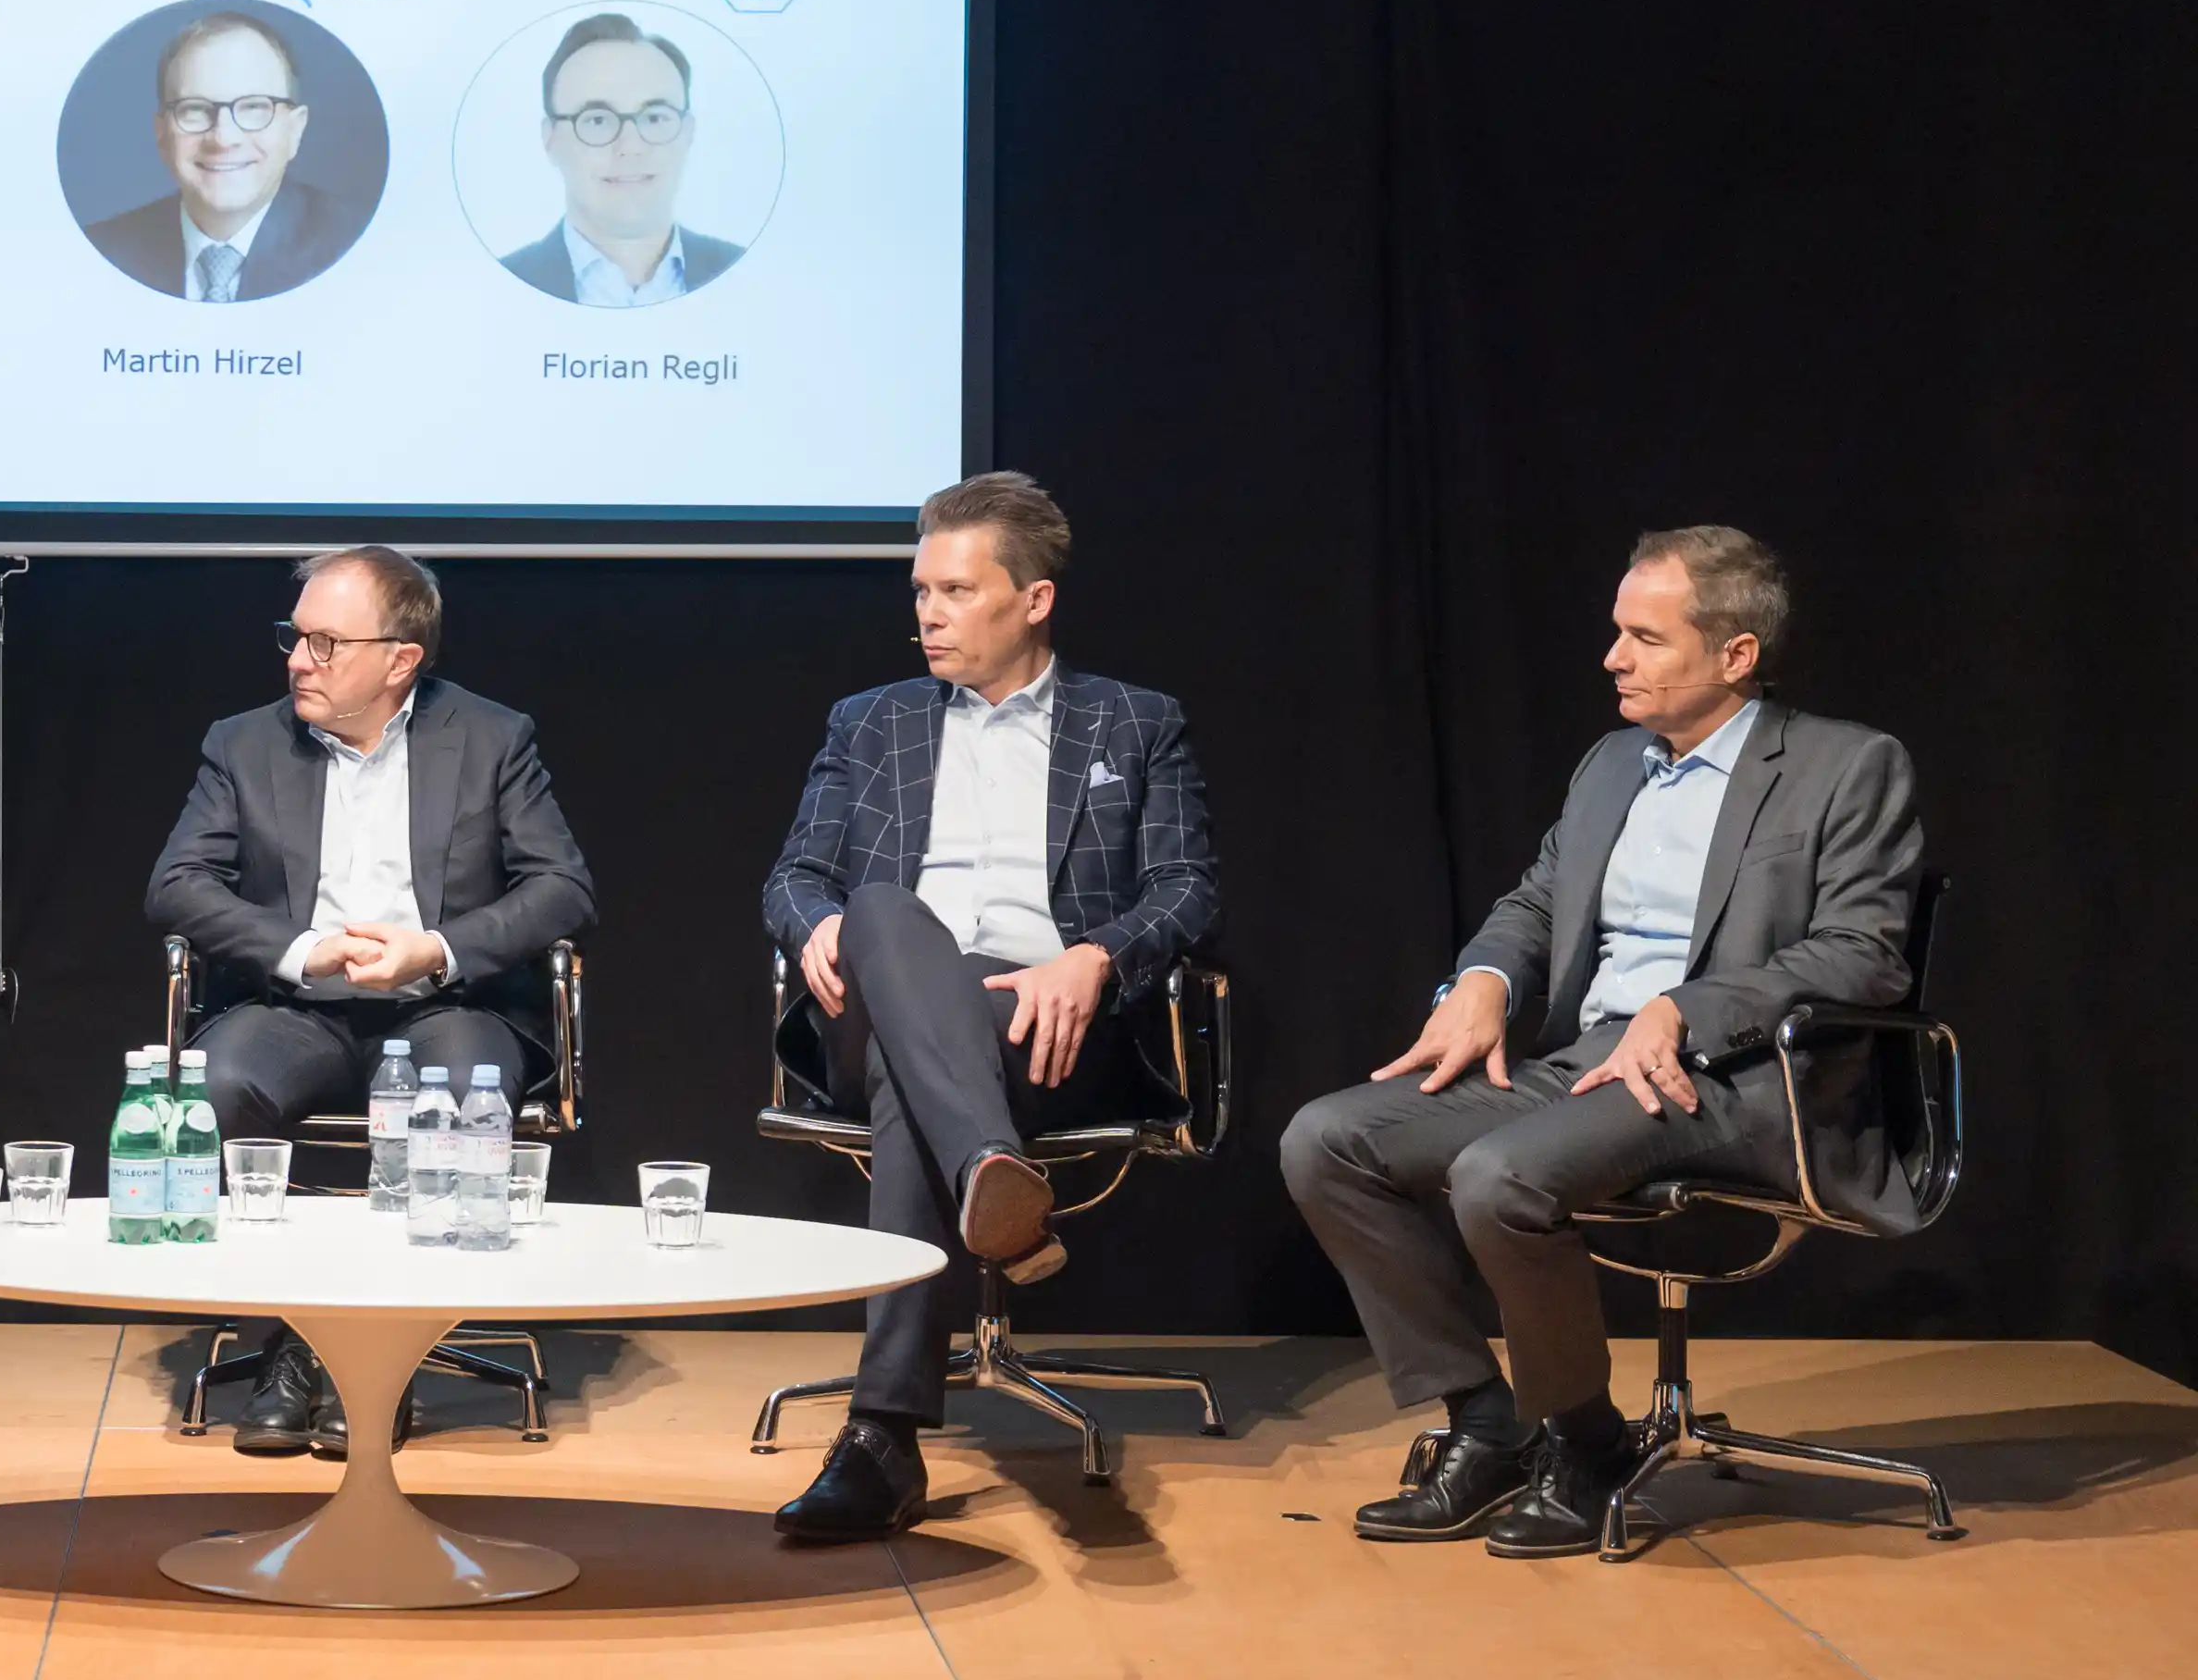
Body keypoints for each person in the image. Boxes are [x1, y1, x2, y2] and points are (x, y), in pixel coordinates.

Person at [1281, 528, 1927, 1558]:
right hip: (1589, 1065)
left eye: (1645, 637)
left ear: (1735, 654)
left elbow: (1864, 955)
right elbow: (1538, 902)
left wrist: (1689, 1008)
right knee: (1328, 1141)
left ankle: (1585, 1447)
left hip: (1739, 1078)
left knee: (1498, 1176)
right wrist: (1484, 980)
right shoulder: (1612, 764)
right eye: (1616, 631)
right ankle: (1486, 1422)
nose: (1612, 657)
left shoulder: (1845, 765)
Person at [756, 473, 1223, 1541]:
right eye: (921, 591)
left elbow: (1187, 888)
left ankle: (882, 1439)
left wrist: (1095, 958)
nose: (928, 614)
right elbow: (793, 875)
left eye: (957, 592)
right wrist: (815, 924)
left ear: (1034, 599)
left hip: (1044, 1030)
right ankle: (990, 1180)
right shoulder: (870, 722)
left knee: (910, 1081)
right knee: (880, 907)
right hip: (879, 999)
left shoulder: (1136, 723)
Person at [144, 546, 598, 1455]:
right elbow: (177, 886)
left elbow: (563, 888)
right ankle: (291, 1342)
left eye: (325, 642)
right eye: (294, 636)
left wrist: (436, 947)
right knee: (218, 1085)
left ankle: (389, 1358)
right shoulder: (243, 742)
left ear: (401, 659)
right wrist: (303, 950)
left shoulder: (492, 737)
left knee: (460, 1090)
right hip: (296, 1009)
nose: (297, 660)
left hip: (448, 1005)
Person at [83, 8, 365, 301]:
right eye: (194, 109)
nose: (223, 138)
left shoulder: (361, 250)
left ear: (294, 130)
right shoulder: (97, 253)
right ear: (162, 133)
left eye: (254, 107)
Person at [497, 13, 745, 306]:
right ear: (550, 140)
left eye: (654, 118)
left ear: (688, 133)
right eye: (598, 120)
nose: (630, 147)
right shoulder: (493, 286)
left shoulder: (752, 276)